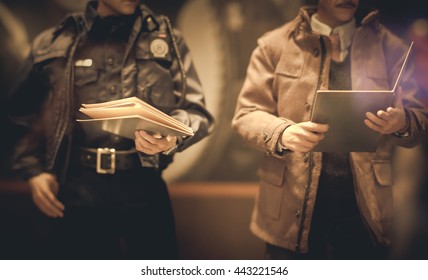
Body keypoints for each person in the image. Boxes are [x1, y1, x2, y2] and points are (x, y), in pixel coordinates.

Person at [7, 0, 213, 259]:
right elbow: (19, 113)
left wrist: (172, 136)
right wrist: (33, 170)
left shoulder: (169, 39)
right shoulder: (56, 41)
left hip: (145, 184)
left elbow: (198, 113)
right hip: (78, 185)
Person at [232, 0, 428, 259]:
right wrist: (282, 133)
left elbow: (420, 119)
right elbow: (245, 115)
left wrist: (402, 122)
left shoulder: (391, 48)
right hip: (288, 213)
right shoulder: (274, 45)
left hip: (365, 213)